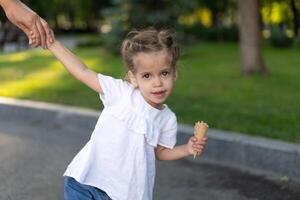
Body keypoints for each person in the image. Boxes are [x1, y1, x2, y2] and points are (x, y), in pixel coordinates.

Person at [36, 27, 207, 200]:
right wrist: (53, 44)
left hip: (125, 193)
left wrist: (187, 149)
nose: (157, 83)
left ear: (174, 73)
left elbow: (160, 153)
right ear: (134, 78)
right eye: (147, 75)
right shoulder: (121, 92)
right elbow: (83, 72)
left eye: (164, 73)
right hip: (87, 182)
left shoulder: (167, 118)